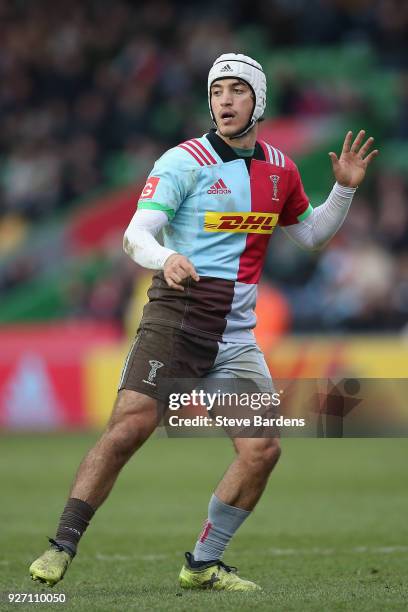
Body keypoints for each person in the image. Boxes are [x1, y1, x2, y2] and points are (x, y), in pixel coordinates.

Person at [29, 53, 378, 591]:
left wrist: (345, 190)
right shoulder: (182, 161)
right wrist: (163, 258)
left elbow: (309, 236)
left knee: (261, 449)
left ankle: (203, 564)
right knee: (129, 428)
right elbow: (136, 233)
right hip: (178, 318)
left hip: (235, 335)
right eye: (218, 93)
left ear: (258, 100)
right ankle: (62, 545)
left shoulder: (281, 168)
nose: (226, 102)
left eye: (238, 91)